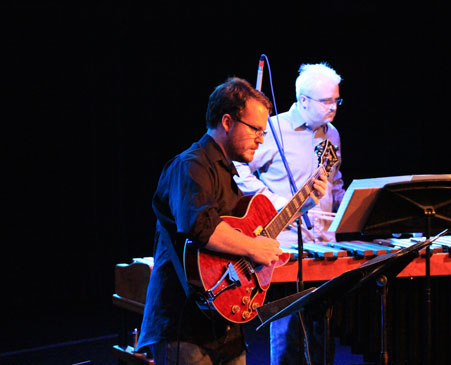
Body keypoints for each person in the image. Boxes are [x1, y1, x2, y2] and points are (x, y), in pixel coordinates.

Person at [135, 76, 328, 365]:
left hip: (225, 323)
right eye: (255, 129)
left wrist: (303, 205)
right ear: (227, 122)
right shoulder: (191, 166)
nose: (261, 139)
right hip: (182, 326)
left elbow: (253, 231)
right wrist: (253, 248)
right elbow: (202, 227)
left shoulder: (229, 174)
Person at [233, 62, 346, 364]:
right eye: (326, 101)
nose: (333, 107)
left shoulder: (331, 134)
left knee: (323, 340)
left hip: (323, 246)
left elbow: (335, 183)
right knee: (288, 341)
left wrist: (348, 212)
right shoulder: (272, 130)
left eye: (336, 100)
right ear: (304, 100)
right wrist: (273, 202)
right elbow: (240, 168)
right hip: (282, 247)